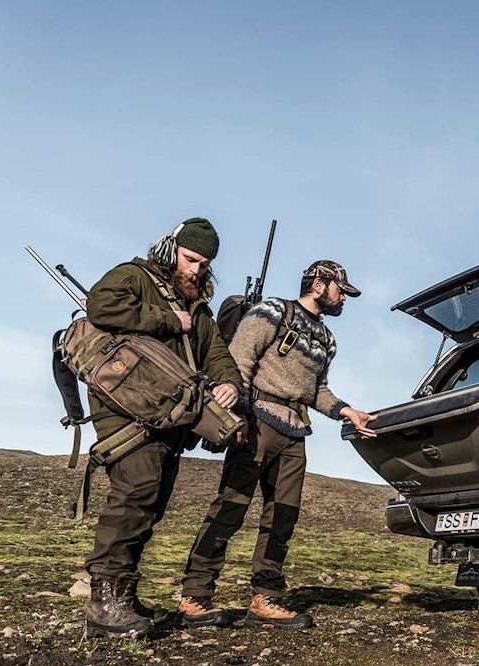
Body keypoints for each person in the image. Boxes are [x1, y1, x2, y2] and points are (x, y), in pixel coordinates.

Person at [179, 259, 377, 629]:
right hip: (256, 422)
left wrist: (346, 411)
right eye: (341, 291)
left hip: (296, 433)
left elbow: (316, 390)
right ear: (318, 284)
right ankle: (195, 595)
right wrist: (237, 416)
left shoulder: (327, 339)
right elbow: (239, 361)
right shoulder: (272, 311)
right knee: (230, 508)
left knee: (283, 516)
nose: (343, 299)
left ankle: (265, 599)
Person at [83, 218, 242, 637]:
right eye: (190, 259)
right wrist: (169, 320)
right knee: (135, 495)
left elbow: (216, 352)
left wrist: (228, 382)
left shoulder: (198, 306)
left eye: (204, 264)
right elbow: (100, 307)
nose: (196, 269)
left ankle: (124, 596)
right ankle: (103, 603)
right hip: (126, 409)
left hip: (169, 417)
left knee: (151, 503)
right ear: (172, 250)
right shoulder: (134, 276)